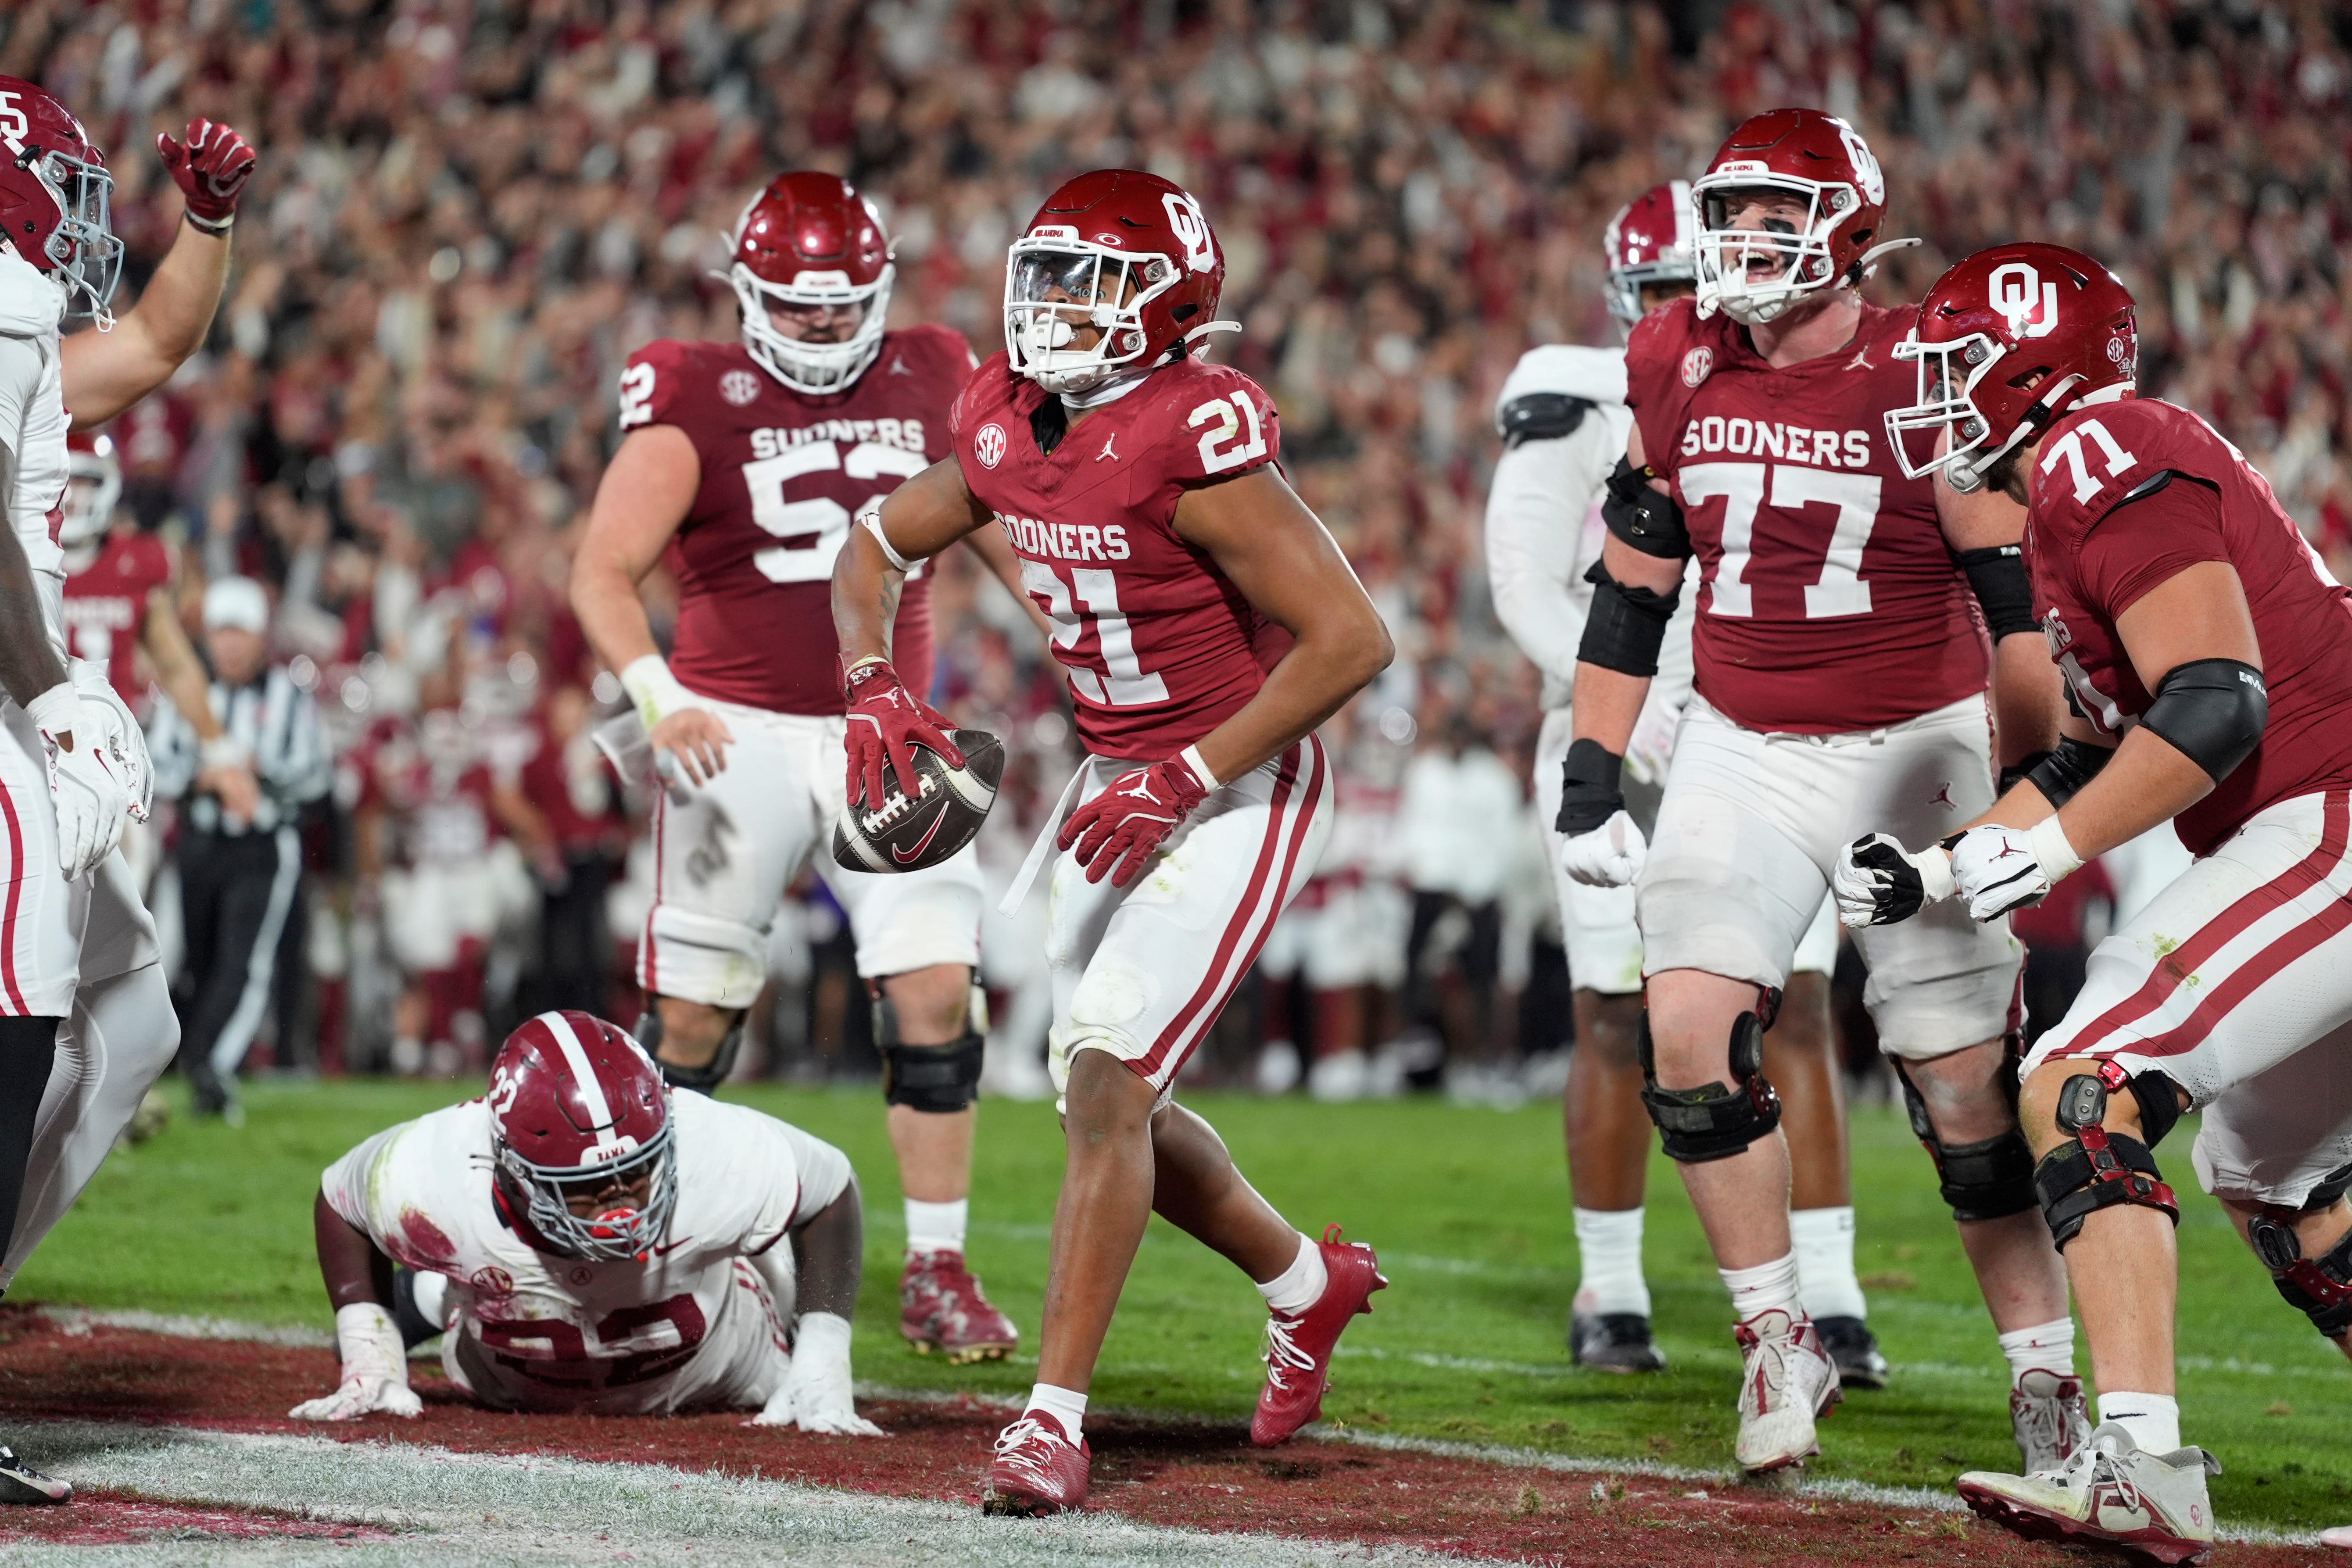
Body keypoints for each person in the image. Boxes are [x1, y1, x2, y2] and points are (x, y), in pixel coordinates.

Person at [831, 168, 1394, 1516]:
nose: (1055, 311)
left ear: (1172, 303)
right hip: (1123, 769)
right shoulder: (1008, 419)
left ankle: (1049, 1419)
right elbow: (873, 545)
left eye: (1093, 284)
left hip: (1243, 774)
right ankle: (1307, 1284)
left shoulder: (1191, 432)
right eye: (1047, 277)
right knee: (1102, 1079)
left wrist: (1190, 769)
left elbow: (1352, 639)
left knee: (1102, 1073)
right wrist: (869, 680)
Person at [1553, 109, 2077, 1477]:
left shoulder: (1922, 365)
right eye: (1725, 217)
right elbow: (1632, 578)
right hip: (1741, 739)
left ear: (1845, 231)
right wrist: (1587, 770)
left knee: (1961, 1091)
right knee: (1682, 1026)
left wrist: (2021, 799)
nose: (1737, 245)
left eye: (1773, 219)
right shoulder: (1671, 353)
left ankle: (2045, 1372)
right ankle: (1777, 1334)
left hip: (1914, 738)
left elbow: (2009, 605)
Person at [1836, 242, 2352, 1562]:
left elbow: (2215, 703)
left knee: (2087, 1077)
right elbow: (2085, 747)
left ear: (2033, 367)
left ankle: (2135, 1463)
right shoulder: (2068, 507)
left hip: (2330, 802)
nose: (1937, 400)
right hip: (2311, 811)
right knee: (2278, 1183)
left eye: (1958, 369)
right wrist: (1945, 865)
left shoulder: (2097, 447)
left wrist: (2051, 851)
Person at [570, 172, 1020, 1364]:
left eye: (842, 306)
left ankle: (937, 1265)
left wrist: (1082, 649)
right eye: (798, 307)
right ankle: (652, 1249)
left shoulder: (935, 364)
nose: (823, 327)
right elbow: (602, 568)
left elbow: (998, 523)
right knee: (696, 1014)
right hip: (737, 725)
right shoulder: (692, 385)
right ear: (748, 294)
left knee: (936, 993)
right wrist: (657, 698)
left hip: (890, 727)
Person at [1484, 181, 1866, 1378]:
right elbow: (1528, 587)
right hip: (1615, 730)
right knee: (1611, 1013)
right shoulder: (1582, 401)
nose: (1677, 311)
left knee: (1793, 1007)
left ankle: (1833, 1293)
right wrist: (1631, 708)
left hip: (1766, 730)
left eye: (1685, 287)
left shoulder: (1790, 393)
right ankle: (1611, 1286)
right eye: (1653, 291)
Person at [0, 82, 252, 1506]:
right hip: (9, 700)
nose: (83, 224)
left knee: (130, 1009)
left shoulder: (32, 327)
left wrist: (209, 221)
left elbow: (158, 337)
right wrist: (53, 691)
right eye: (64, 191)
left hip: (25, 705)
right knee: (25, 1007)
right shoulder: (2, 302)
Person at [289, 1010, 882, 1432]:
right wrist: (369, 1349)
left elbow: (831, 1190)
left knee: (770, 1264)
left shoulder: (713, 1144)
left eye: (639, 1172)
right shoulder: (436, 1167)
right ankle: (436, 1290)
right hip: (506, 1366)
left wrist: (823, 1353)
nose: (622, 1203)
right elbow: (340, 1200)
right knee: (494, 1273)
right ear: (512, 1170)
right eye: (587, 1188)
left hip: (719, 1364)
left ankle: (437, 1290)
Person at [146, 577, 333, 1116]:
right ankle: (199, 1059)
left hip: (264, 844)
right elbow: (155, 767)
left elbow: (319, 776)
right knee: (195, 958)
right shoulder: (186, 694)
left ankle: (211, 1063)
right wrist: (209, 778)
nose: (229, 645)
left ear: (260, 638)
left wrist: (262, 772)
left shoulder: (289, 698)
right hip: (200, 841)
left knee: (244, 962)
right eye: (220, 632)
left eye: (240, 633)